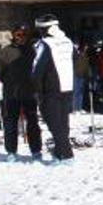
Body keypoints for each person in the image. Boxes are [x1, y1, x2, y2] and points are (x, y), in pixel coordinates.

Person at [29, 15, 76, 164]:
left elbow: (37, 69)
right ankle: (58, 153)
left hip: (50, 89)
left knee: (54, 123)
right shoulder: (68, 41)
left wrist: (36, 88)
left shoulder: (45, 44)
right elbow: (76, 58)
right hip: (67, 86)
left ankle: (67, 155)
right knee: (63, 122)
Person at [0, 23, 39, 162]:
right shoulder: (6, 52)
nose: (21, 37)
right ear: (13, 35)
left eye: (24, 34)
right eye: (18, 34)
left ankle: (36, 150)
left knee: (32, 121)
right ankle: (11, 151)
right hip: (11, 93)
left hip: (29, 92)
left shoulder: (33, 50)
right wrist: (10, 81)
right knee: (10, 123)